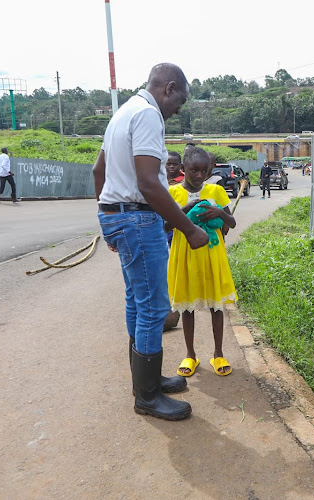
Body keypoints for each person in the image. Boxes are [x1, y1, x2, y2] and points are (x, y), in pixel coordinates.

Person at [92, 63, 209, 422]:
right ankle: (147, 396)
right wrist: (188, 228)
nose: (179, 109)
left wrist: (111, 220)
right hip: (137, 218)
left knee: (136, 302)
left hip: (120, 215)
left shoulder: (122, 113)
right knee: (155, 308)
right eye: (181, 101)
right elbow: (149, 182)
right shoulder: (147, 115)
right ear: (169, 89)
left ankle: (147, 381)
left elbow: (99, 172)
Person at [166, 146, 238, 378]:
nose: (199, 176)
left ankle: (218, 354)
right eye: (193, 170)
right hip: (185, 255)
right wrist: (184, 210)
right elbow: (165, 227)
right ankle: (190, 354)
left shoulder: (215, 190)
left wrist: (220, 214)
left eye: (203, 171)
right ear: (183, 168)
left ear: (209, 171)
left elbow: (232, 222)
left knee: (216, 305)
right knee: (187, 305)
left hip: (212, 255)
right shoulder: (173, 193)